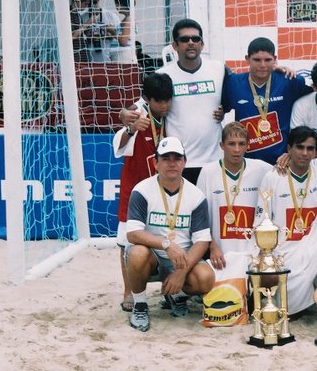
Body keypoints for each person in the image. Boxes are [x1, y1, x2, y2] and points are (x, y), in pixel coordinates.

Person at [223, 37, 317, 165]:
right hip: (247, 161)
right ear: (247, 59)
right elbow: (221, 106)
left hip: (282, 161)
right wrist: (220, 112)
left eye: (268, 60)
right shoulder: (233, 83)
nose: (262, 65)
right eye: (257, 60)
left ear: (275, 59)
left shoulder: (288, 80)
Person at [256, 126, 317, 316]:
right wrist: (264, 254)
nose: (305, 153)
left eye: (310, 148)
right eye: (300, 147)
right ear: (289, 149)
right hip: (283, 248)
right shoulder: (272, 177)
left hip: (315, 245)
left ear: (316, 151)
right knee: (283, 302)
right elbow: (262, 221)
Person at [120, 18, 228, 184]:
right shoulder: (164, 74)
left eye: (195, 39)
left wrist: (277, 71)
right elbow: (141, 102)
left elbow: (245, 86)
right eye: (184, 39)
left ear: (202, 44)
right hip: (178, 162)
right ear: (175, 45)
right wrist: (124, 112)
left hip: (214, 162)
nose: (191, 43)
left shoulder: (219, 69)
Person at [125, 136, 215, 332]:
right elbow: (132, 233)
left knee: (206, 278)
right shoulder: (142, 190)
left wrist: (180, 274)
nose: (172, 163)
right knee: (136, 253)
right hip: (153, 257)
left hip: (182, 259)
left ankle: (176, 295)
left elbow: (202, 241)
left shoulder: (196, 195)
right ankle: (140, 304)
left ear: (185, 162)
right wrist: (166, 244)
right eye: (166, 158)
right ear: (156, 163)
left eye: (177, 158)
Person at [112, 72, 172, 312]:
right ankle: (129, 291)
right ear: (147, 99)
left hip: (165, 193)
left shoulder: (172, 116)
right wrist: (130, 127)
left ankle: (171, 291)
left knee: (169, 241)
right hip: (136, 193)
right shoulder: (138, 115)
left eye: (168, 100)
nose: (165, 105)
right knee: (126, 243)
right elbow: (118, 145)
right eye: (159, 101)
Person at [196, 122, 272, 276]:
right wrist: (211, 245)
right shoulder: (207, 172)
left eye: (241, 144)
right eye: (231, 144)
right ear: (222, 145)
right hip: (219, 254)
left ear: (247, 146)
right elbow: (199, 217)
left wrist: (286, 158)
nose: (237, 150)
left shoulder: (262, 169)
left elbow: (287, 173)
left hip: (252, 253)